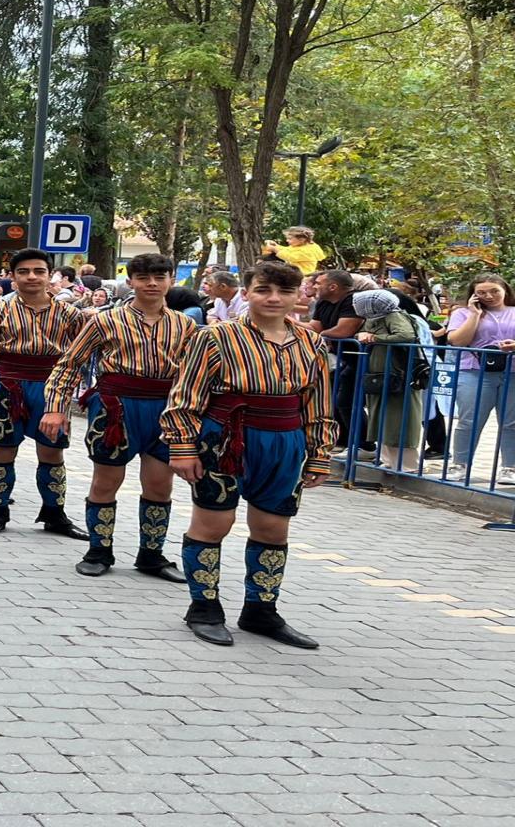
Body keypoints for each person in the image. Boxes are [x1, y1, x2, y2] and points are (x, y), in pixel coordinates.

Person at [161, 259, 334, 649]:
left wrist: (320, 452)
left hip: (285, 442)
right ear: (247, 292)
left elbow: (318, 402)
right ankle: (203, 608)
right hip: (225, 440)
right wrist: (183, 447)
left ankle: (260, 610)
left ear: (298, 295)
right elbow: (186, 395)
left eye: (285, 291)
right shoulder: (215, 337)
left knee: (273, 527)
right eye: (263, 290)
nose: (274, 298)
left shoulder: (311, 342)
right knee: (213, 523)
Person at [42, 253, 197, 581]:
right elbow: (69, 364)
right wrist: (55, 408)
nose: (152, 284)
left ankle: (151, 554)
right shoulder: (105, 320)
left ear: (171, 280)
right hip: (116, 407)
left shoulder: (185, 325)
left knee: (160, 484)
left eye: (159, 277)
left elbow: (196, 375)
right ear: (131, 281)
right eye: (143, 277)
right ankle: (99, 550)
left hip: (165, 410)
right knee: (106, 480)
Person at [0, 249, 90, 539]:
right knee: (2, 448)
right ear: (13, 277)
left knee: (52, 450)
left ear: (50, 276)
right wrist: (6, 376)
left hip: (53, 387)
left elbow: (78, 355)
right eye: (23, 271)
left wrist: (62, 386)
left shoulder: (71, 315)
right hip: (7, 384)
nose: (32, 277)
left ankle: (54, 513)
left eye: (39, 271)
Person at [445, 273, 515, 482]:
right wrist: (474, 315)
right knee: (469, 420)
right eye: (482, 292)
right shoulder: (462, 313)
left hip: (512, 372)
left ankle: (509, 467)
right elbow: (457, 341)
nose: (489, 296)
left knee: (511, 422)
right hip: (474, 371)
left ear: (505, 291)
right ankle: (460, 464)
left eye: (494, 291)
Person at [352, 289, 425, 471]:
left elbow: (406, 335)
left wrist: (376, 338)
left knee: (398, 418)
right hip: (380, 375)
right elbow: (361, 334)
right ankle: (389, 461)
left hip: (397, 374)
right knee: (382, 417)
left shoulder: (394, 316)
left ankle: (406, 465)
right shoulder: (375, 318)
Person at [308, 270, 364, 452]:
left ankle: (364, 445)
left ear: (333, 287)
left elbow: (343, 331)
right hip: (340, 359)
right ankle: (343, 441)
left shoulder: (353, 301)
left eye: (318, 283)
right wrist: (284, 320)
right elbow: (313, 328)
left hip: (361, 358)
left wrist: (322, 335)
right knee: (334, 400)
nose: (314, 286)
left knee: (347, 402)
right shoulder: (323, 302)